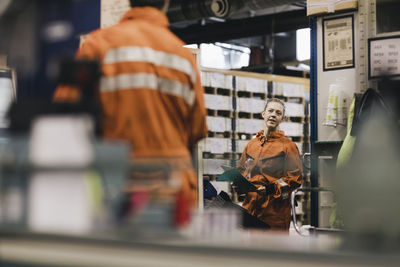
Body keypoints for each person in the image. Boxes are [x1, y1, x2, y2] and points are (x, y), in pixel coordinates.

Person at [53, 0, 207, 208]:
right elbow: (197, 129)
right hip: (172, 190)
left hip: (115, 188)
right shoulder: (184, 57)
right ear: (166, 2)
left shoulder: (99, 44)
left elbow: (65, 112)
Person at [237, 98, 302, 231]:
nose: (273, 114)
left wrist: (270, 189)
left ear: (282, 118)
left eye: (278, 113)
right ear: (263, 114)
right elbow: (242, 171)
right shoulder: (252, 145)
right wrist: (238, 184)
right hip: (250, 209)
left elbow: (294, 179)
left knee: (271, 250)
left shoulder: (288, 147)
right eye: (270, 111)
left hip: (274, 213)